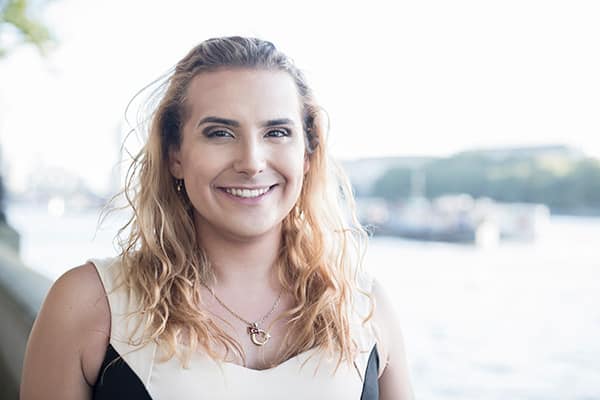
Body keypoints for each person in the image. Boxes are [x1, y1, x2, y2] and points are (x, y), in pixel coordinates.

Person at [20, 36, 414, 399]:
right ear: (175, 154)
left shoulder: (365, 307)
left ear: (307, 155)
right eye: (220, 133)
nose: (251, 162)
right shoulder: (90, 304)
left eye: (276, 132)